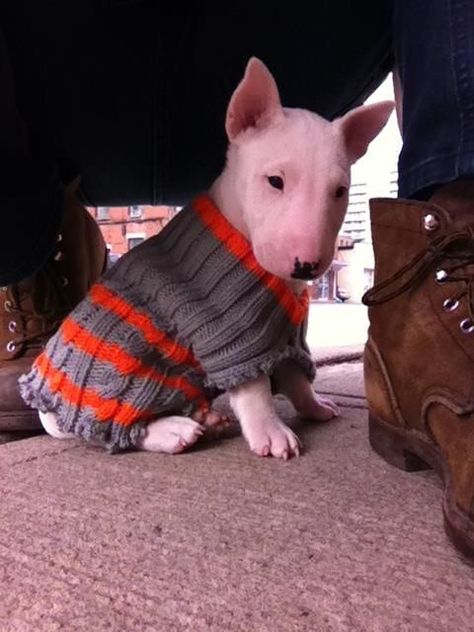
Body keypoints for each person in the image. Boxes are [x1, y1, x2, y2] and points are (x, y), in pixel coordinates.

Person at [0, 1, 472, 556]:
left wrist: (301, 392)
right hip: (98, 377)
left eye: (337, 193)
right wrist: (258, 412)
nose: (308, 246)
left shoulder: (257, 240)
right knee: (184, 337)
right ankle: (132, 424)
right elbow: (225, 329)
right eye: (275, 182)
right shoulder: (215, 252)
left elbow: (277, 324)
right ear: (243, 120)